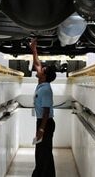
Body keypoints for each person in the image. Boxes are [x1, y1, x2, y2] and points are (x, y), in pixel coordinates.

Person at [30, 38, 56, 177]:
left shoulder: (45, 89)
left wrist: (41, 129)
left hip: (45, 123)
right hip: (42, 122)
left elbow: (46, 111)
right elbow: (37, 63)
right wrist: (34, 49)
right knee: (42, 152)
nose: (39, 68)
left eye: (42, 69)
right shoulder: (42, 83)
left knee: (44, 152)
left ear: (44, 76)